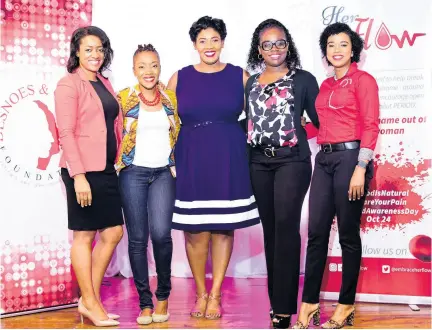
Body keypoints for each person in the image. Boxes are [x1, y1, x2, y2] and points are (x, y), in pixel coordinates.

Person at [167, 16, 260, 319]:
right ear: (194, 45)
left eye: (214, 39)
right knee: (195, 231)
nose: (209, 46)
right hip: (191, 157)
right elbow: (167, 123)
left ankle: (216, 294)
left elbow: (262, 112)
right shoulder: (179, 77)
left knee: (222, 227)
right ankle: (200, 292)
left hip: (228, 157)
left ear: (223, 42)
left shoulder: (239, 75)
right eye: (202, 40)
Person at [293, 22, 379, 329]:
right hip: (325, 160)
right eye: (331, 45)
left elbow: (370, 125)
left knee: (347, 235)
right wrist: (289, 130)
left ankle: (345, 306)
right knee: (316, 234)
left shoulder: (363, 80)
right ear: (325, 52)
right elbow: (320, 126)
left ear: (353, 48)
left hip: (350, 160)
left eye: (343, 44)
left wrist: (360, 167)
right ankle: (309, 304)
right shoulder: (326, 85)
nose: (337, 50)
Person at [244, 19, 320, 329]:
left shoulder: (302, 79)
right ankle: (277, 301)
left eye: (280, 43)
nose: (274, 49)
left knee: (287, 229)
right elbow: (251, 123)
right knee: (272, 232)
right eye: (267, 44)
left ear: (288, 45)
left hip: (292, 161)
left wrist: (301, 129)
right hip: (259, 163)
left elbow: (320, 120)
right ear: (258, 49)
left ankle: (285, 308)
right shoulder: (251, 83)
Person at [55, 26, 123, 327]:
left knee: (113, 233)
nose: (95, 54)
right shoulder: (69, 84)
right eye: (88, 49)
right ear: (77, 52)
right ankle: (91, 303)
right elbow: (66, 133)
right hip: (82, 170)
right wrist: (78, 176)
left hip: (106, 168)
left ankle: (88, 300)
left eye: (100, 49)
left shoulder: (104, 83)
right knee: (84, 235)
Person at [116, 44, 180, 325]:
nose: (148, 71)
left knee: (162, 235)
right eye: (141, 66)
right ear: (133, 70)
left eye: (153, 65)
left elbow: (179, 131)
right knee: (138, 239)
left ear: (159, 67)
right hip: (133, 173)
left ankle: (163, 295)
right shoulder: (124, 99)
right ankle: (145, 302)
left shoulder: (170, 98)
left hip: (163, 173)